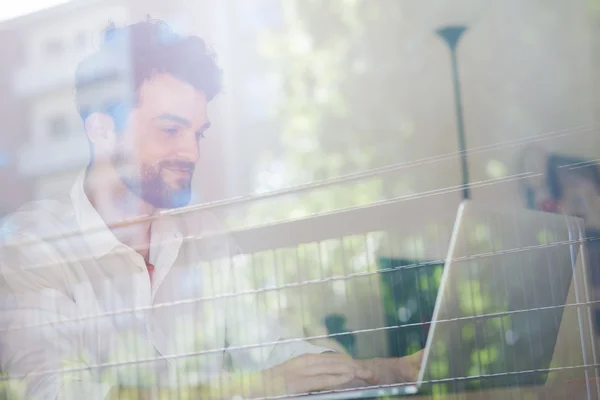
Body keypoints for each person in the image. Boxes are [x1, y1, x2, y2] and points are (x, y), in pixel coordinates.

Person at [0, 19, 421, 399]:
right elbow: (56, 392)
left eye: (197, 132)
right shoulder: (31, 249)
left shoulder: (201, 234)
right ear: (102, 130)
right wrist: (257, 386)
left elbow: (273, 348)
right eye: (170, 129)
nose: (190, 151)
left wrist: (385, 371)